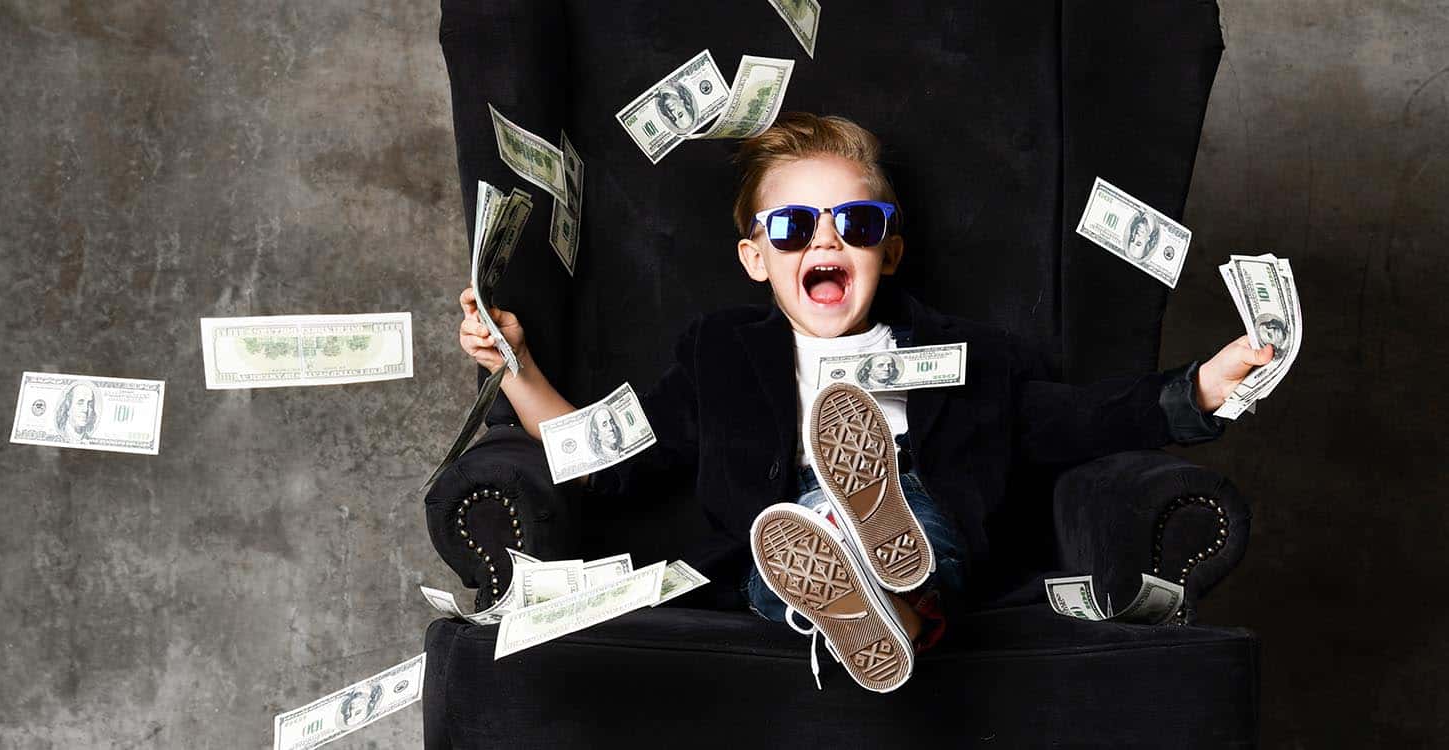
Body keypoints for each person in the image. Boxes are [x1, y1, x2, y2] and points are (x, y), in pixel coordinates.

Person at [456, 113, 1273, 693]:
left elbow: (1076, 418)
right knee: (791, 547)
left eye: (854, 221)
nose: (825, 241)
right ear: (754, 259)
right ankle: (853, 603)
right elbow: (610, 456)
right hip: (777, 540)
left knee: (916, 523)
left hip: (917, 511)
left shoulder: (971, 358)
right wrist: (518, 365)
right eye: (792, 228)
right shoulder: (720, 357)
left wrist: (1199, 388)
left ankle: (890, 585)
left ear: (889, 250)